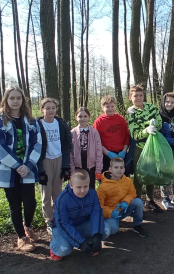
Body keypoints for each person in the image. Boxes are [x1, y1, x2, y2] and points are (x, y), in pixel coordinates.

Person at [0, 86, 42, 252]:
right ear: (6, 100)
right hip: (8, 170)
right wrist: (17, 166)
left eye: (19, 98)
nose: (15, 101)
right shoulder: (1, 120)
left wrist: (28, 165)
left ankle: (28, 226)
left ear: (23, 100)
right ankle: (21, 238)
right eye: (12, 98)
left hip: (27, 169)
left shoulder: (31, 121)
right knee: (15, 206)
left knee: (30, 202)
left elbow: (37, 144)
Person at [49, 169, 104, 261]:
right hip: (63, 227)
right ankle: (55, 247)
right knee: (64, 249)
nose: (82, 191)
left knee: (104, 231)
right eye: (78, 187)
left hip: (82, 224)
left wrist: (97, 236)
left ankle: (89, 242)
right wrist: (80, 243)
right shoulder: (62, 199)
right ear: (71, 185)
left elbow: (97, 214)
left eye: (85, 186)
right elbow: (63, 224)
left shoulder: (93, 194)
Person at [37, 98, 73, 235]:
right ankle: (49, 220)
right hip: (45, 160)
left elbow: (66, 146)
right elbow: (36, 148)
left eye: (53, 107)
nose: (51, 110)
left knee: (57, 192)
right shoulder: (38, 124)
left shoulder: (61, 123)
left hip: (59, 159)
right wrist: (40, 169)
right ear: (42, 110)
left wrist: (66, 167)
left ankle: (58, 217)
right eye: (48, 108)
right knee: (46, 192)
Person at [126, 85, 163, 212]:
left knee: (151, 172)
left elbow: (159, 122)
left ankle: (150, 200)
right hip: (139, 146)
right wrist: (146, 129)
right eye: (135, 96)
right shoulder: (131, 112)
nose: (138, 98)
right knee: (139, 174)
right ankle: (137, 203)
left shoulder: (152, 108)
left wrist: (155, 125)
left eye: (140, 95)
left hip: (153, 145)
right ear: (130, 97)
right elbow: (134, 133)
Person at [97, 157, 147, 238]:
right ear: (110, 169)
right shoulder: (102, 187)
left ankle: (137, 225)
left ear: (124, 169)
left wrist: (125, 201)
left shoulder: (127, 180)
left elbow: (132, 193)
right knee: (113, 230)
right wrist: (110, 213)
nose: (119, 170)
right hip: (112, 213)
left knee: (138, 202)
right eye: (116, 167)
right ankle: (105, 223)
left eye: (121, 167)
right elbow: (98, 206)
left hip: (124, 209)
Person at [93, 95, 129, 173]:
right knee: (107, 178)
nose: (110, 108)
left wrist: (124, 151)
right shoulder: (98, 122)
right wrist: (108, 153)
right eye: (107, 107)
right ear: (102, 107)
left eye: (112, 106)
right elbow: (97, 141)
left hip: (121, 153)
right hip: (106, 154)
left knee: (122, 177)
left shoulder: (121, 119)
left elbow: (127, 136)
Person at [71, 107, 103, 189]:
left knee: (90, 187)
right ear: (76, 117)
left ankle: (90, 201)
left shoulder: (94, 132)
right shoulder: (72, 133)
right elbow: (70, 153)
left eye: (85, 116)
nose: (83, 119)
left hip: (91, 166)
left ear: (89, 117)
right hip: (78, 165)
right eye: (80, 116)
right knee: (79, 186)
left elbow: (99, 151)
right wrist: (72, 169)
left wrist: (98, 169)